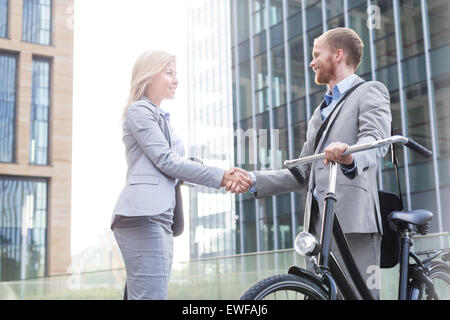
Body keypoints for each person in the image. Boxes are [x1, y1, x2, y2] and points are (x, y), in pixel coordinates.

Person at [227, 27, 391, 299]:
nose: (311, 62)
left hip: (353, 221)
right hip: (318, 227)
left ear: (338, 55)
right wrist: (253, 179)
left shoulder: (369, 91)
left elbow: (376, 141)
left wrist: (349, 155)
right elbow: (302, 172)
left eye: (317, 55)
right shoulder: (320, 112)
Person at [111, 50, 252, 300]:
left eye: (176, 74)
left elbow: (174, 163)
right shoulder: (140, 111)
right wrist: (220, 176)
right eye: (169, 73)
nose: (175, 79)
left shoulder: (159, 117)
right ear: (148, 75)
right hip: (145, 216)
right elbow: (167, 160)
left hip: (156, 217)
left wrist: (223, 173)